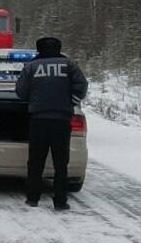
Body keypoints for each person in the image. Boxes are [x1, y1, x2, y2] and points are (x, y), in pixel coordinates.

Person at [15, 37, 88, 211]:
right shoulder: (69, 65)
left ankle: (33, 198)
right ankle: (60, 201)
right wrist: (72, 101)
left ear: (39, 49)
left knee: (36, 161)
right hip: (62, 120)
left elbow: (20, 92)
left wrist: (32, 99)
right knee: (61, 162)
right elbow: (82, 85)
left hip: (39, 119)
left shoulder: (31, 66)